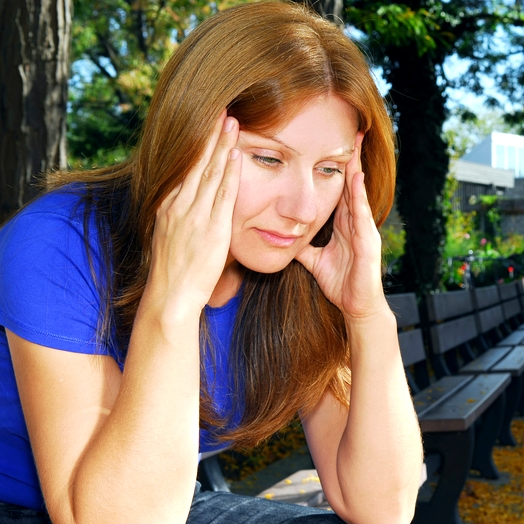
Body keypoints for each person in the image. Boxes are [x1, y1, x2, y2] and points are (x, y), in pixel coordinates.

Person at [0, 2, 423, 523]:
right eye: (268, 158)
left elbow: (383, 509)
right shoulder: (58, 241)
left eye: (330, 168)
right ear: (189, 136)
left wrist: (368, 317)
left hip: (163, 494)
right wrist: (174, 302)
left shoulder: (300, 272)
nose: (303, 209)